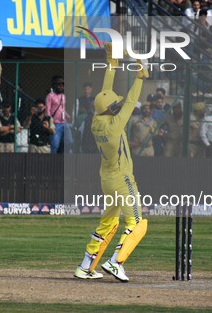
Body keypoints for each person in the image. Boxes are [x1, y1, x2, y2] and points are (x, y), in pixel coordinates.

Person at [74, 44, 148, 282]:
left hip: (106, 179)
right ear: (111, 109)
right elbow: (130, 102)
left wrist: (111, 62)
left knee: (109, 222)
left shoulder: (97, 118)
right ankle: (116, 262)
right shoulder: (116, 126)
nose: (117, 105)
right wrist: (139, 77)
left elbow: (106, 91)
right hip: (122, 178)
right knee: (137, 224)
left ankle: (85, 266)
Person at [46, 75, 73, 153]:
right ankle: (53, 161)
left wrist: (68, 116)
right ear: (54, 85)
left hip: (64, 123)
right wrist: (49, 123)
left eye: (62, 85)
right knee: (55, 145)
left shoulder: (63, 96)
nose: (61, 87)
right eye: (59, 85)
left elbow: (62, 109)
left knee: (69, 141)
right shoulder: (50, 96)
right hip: (55, 124)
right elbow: (47, 110)